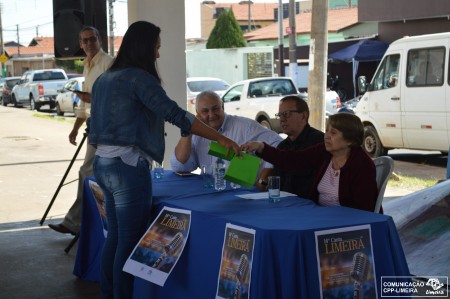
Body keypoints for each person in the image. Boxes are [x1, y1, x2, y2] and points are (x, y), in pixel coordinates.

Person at [88, 21, 240, 299]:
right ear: (145, 47)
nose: (158, 54)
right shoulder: (138, 79)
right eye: (157, 47)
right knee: (129, 241)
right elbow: (176, 114)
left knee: (116, 236)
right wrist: (221, 139)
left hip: (103, 164)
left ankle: (109, 293)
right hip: (127, 167)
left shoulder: (104, 79)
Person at [48, 26, 114, 235]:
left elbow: (114, 96)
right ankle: (84, 222)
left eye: (91, 40)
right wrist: (75, 129)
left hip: (107, 127)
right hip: (93, 125)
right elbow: (84, 104)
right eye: (84, 41)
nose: (88, 44)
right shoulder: (88, 64)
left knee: (87, 173)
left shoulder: (108, 63)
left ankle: (76, 222)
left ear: (99, 39)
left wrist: (90, 98)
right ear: (80, 44)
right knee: (90, 175)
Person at [241, 113, 379, 212]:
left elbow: (363, 210)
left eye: (334, 133)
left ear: (350, 140)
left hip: (346, 227)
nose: (327, 136)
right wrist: (262, 147)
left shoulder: (362, 165)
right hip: (319, 216)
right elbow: (293, 160)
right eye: (326, 131)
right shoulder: (324, 151)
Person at [170, 90, 282, 188]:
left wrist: (265, 176)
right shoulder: (197, 134)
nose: (211, 114)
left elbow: (279, 145)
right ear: (197, 114)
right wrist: (189, 130)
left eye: (215, 109)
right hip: (209, 193)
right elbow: (180, 167)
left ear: (223, 107)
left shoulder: (245, 126)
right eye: (205, 111)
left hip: (242, 194)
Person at [265, 96, 324, 197]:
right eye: (280, 115)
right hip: (284, 205)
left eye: (286, 114)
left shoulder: (319, 142)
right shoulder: (282, 147)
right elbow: (274, 184)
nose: (282, 120)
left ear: (303, 116)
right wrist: (262, 182)